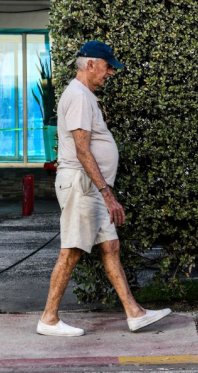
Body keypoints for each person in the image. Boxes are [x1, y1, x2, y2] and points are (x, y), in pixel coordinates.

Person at [37, 40, 171, 337]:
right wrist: (108, 195)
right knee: (71, 251)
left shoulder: (86, 96)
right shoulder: (79, 97)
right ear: (90, 64)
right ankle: (48, 318)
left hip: (91, 189)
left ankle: (134, 313)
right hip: (82, 186)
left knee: (110, 246)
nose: (110, 72)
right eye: (107, 67)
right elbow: (83, 150)